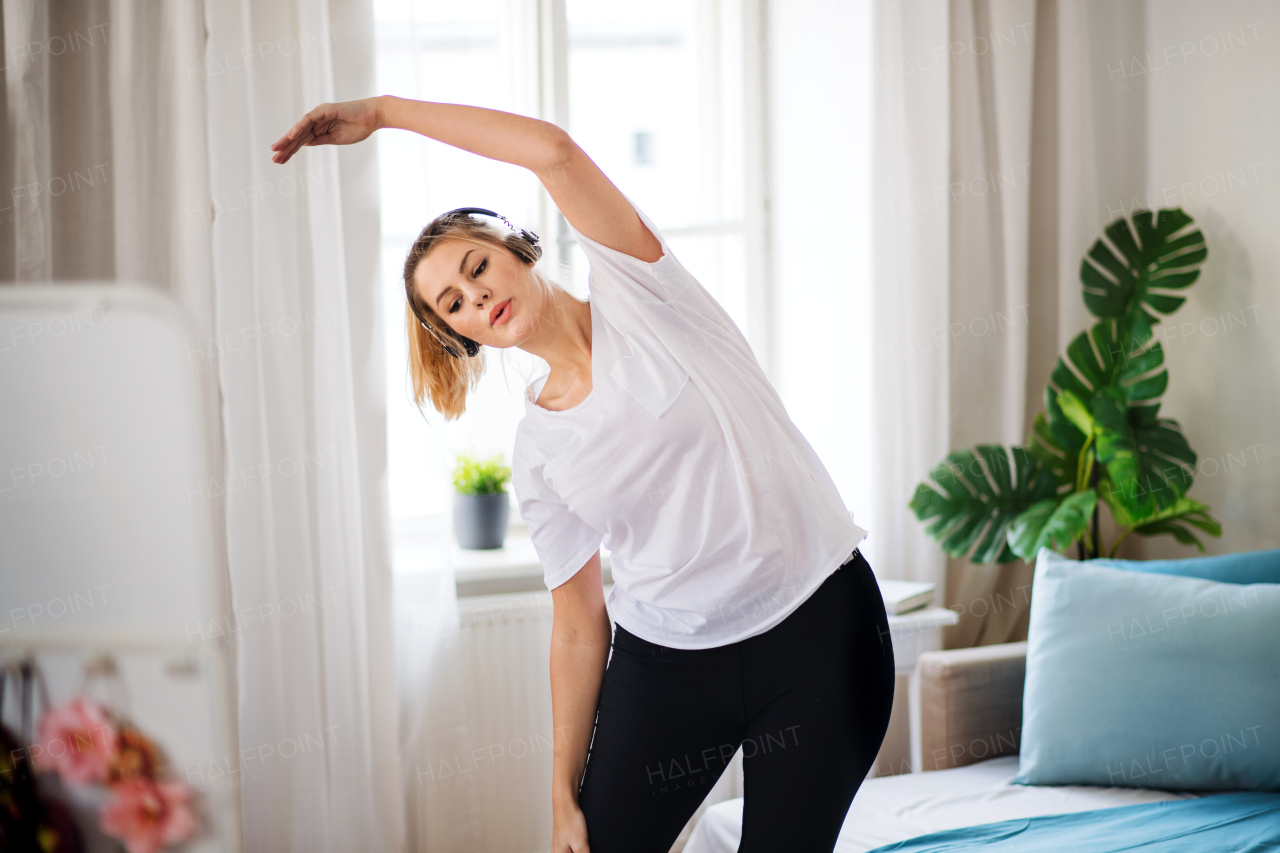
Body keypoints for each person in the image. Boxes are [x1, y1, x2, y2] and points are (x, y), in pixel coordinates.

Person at [271, 96, 895, 853]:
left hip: (816, 631)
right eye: (454, 303)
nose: (478, 296)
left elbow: (554, 151)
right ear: (456, 334)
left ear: (517, 247)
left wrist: (384, 114)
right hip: (668, 665)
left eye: (478, 266)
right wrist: (561, 792)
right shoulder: (538, 453)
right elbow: (576, 625)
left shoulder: (646, 292)